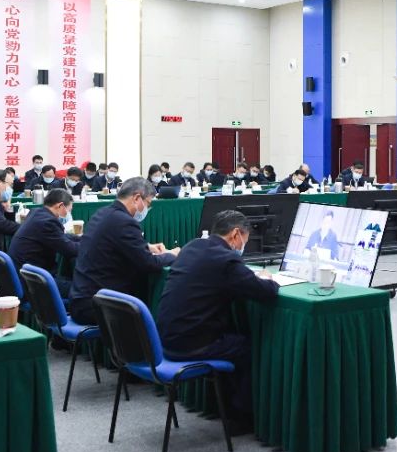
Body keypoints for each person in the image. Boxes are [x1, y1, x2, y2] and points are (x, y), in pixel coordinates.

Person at [156, 210, 279, 431]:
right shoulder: (226, 260)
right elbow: (266, 292)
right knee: (249, 347)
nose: (243, 246)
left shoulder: (192, 246)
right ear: (235, 234)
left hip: (164, 340)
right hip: (191, 345)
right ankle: (240, 417)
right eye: (245, 240)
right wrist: (268, 278)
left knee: (230, 333)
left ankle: (218, 406)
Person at [68, 178, 178, 324]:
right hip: (98, 306)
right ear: (137, 198)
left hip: (82, 298)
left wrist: (147, 246)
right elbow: (149, 263)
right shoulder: (124, 221)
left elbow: (115, 243)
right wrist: (172, 255)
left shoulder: (103, 213)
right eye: (148, 203)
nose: (147, 208)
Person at [8, 189, 81, 297]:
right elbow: (70, 250)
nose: (68, 214)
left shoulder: (36, 213)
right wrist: (90, 245)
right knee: (83, 290)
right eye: (68, 210)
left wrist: (84, 239)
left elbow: (61, 237)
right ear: (60, 206)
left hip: (26, 275)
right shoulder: (48, 222)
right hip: (34, 282)